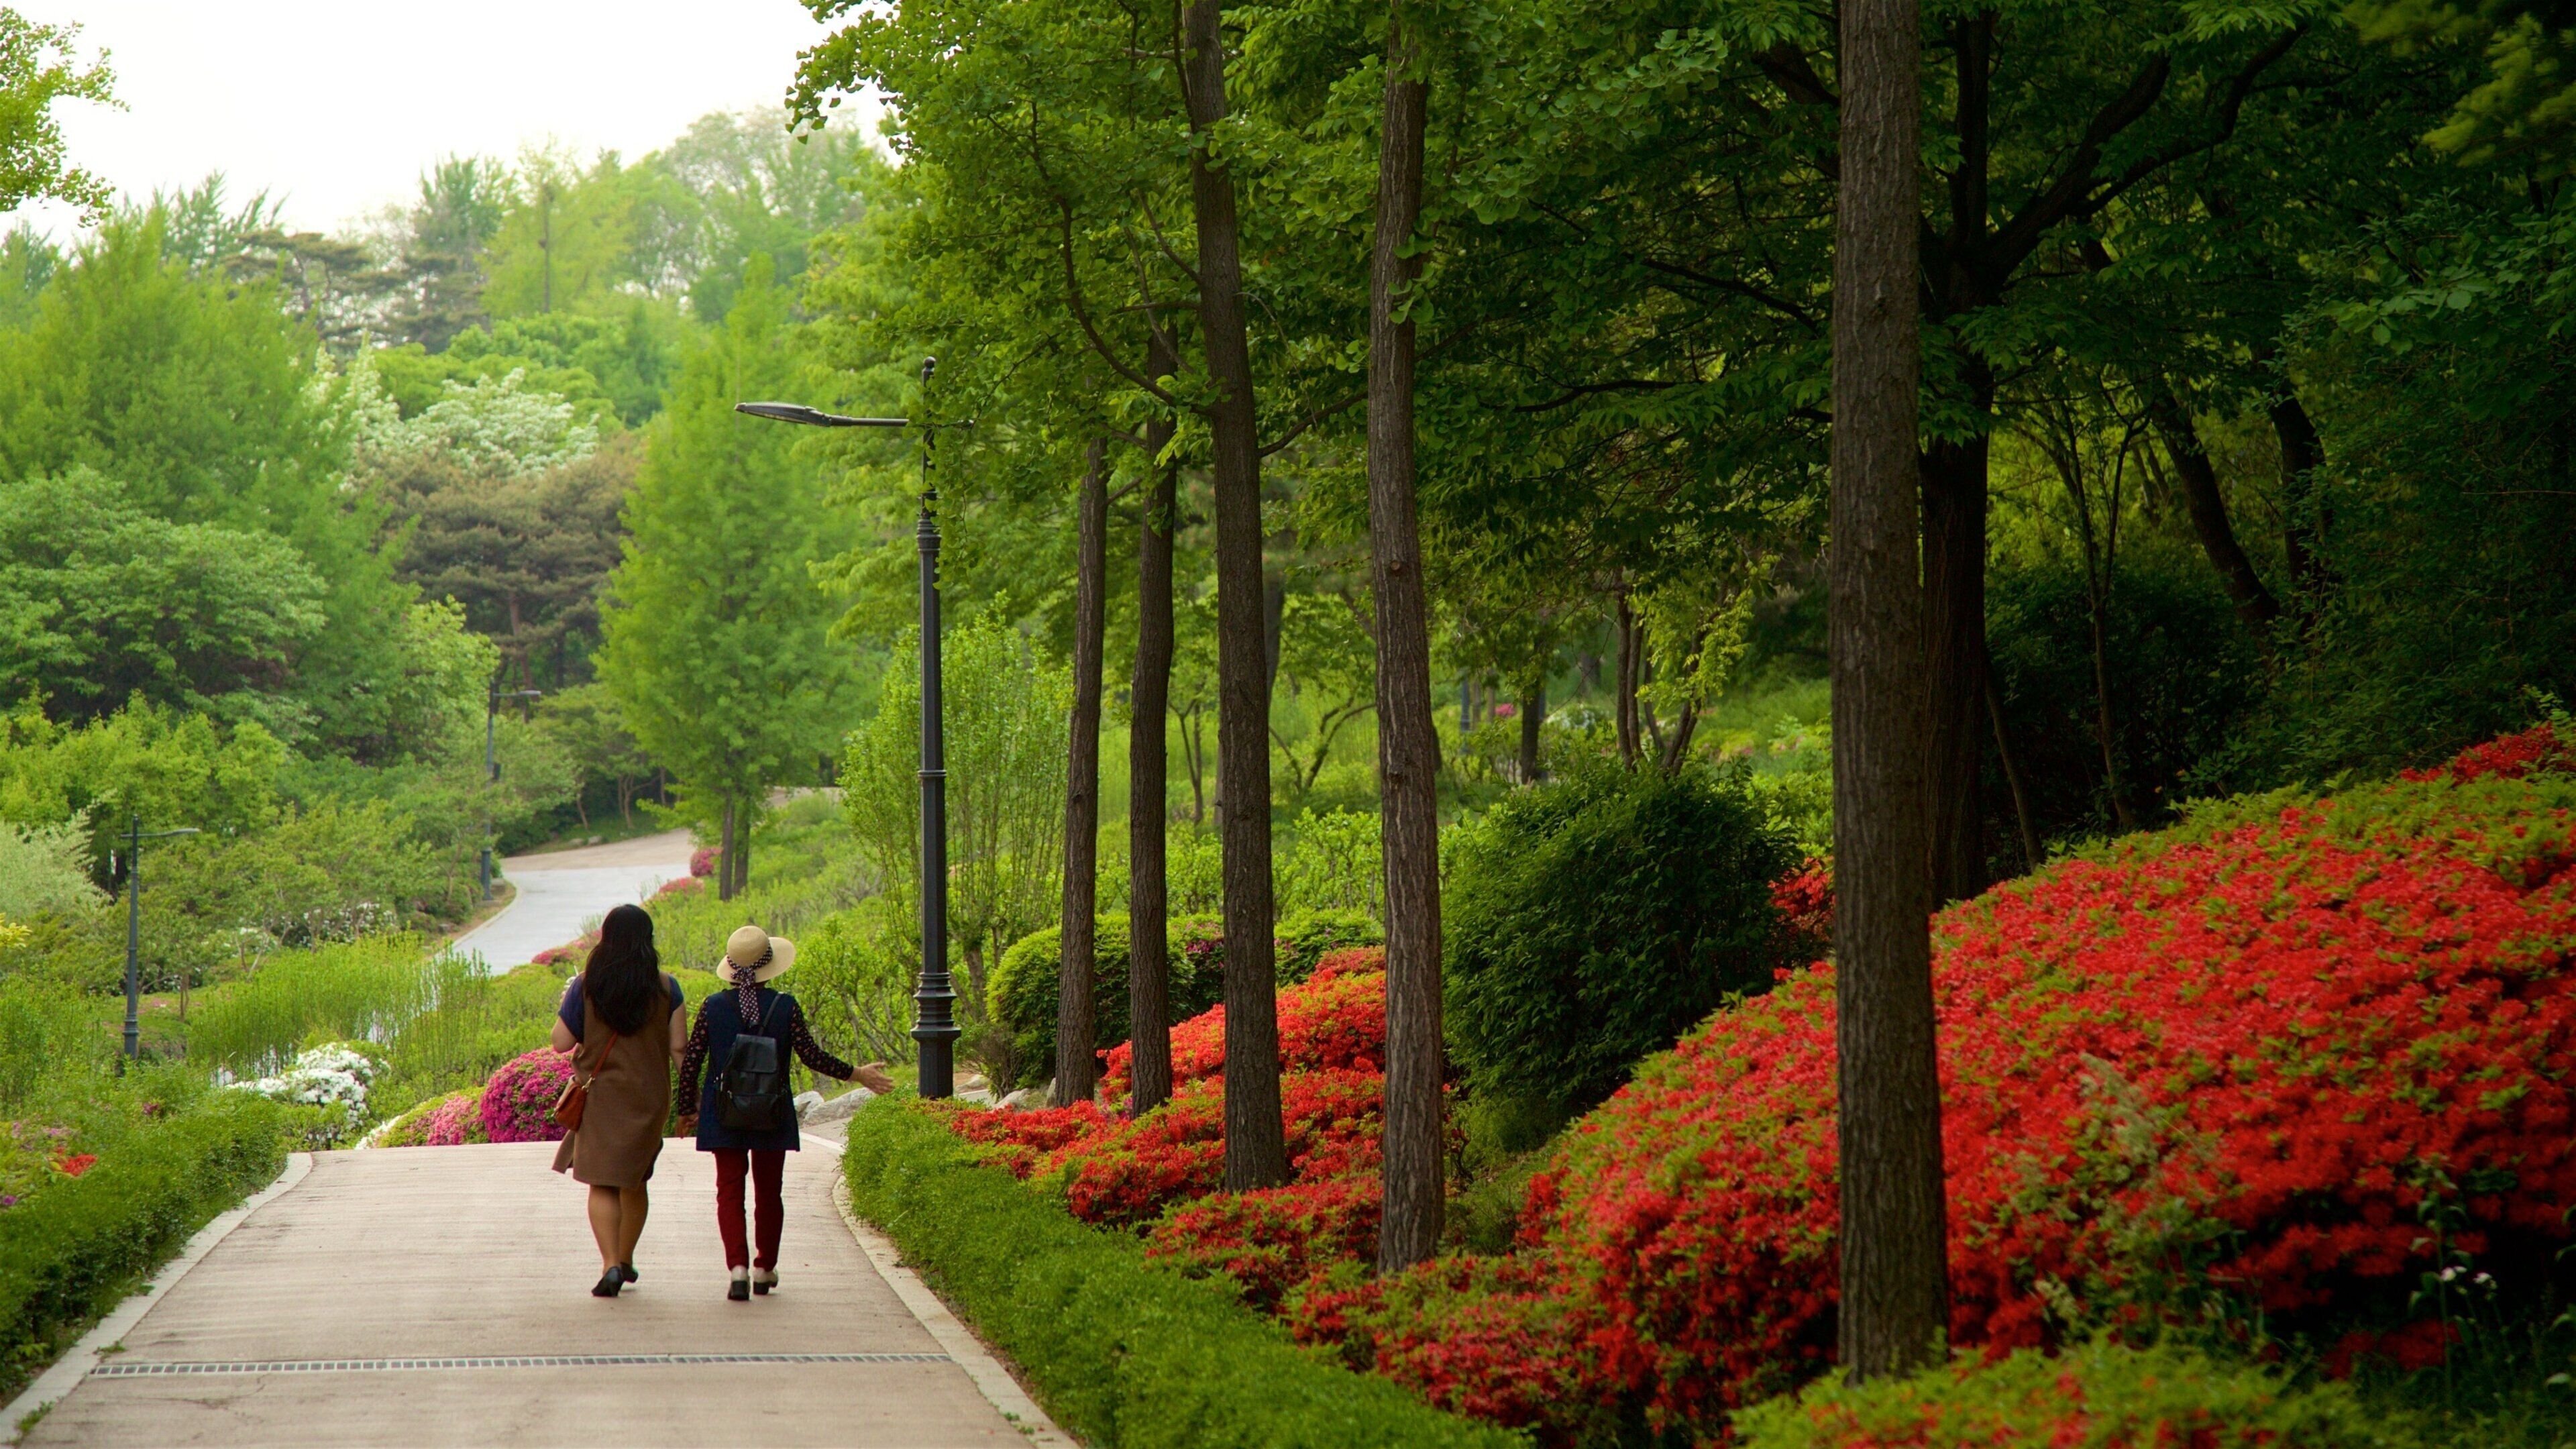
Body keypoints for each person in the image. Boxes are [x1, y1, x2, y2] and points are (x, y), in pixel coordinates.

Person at [677, 924, 861, 1301]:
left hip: (724, 1110)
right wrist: (857, 1074)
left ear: (730, 967)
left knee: (729, 1191)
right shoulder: (785, 1006)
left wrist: (686, 1110)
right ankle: (764, 1268)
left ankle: (738, 1269)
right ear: (769, 967)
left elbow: (692, 1061)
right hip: (771, 1111)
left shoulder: (713, 1007)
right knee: (769, 1192)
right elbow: (812, 1056)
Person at [548, 903, 688, 1299]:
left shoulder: (587, 985)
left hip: (601, 1098)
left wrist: (568, 1003)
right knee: (635, 1179)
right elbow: (680, 1048)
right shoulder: (667, 986)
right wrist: (692, 1099)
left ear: (605, 938)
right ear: (648, 940)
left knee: (603, 1184)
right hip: (649, 1097)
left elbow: (561, 1043)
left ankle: (609, 1263)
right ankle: (625, 1259)